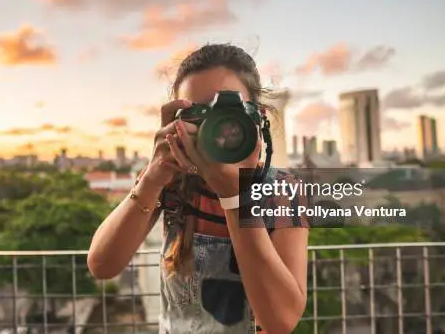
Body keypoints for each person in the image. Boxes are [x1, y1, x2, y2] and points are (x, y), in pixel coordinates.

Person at [88, 44, 309, 334]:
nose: (217, 129)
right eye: (199, 115)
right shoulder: (171, 182)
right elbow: (102, 265)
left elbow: (281, 321)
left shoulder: (282, 190)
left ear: (259, 119)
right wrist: (153, 177)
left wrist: (234, 197)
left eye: (230, 114)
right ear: (176, 123)